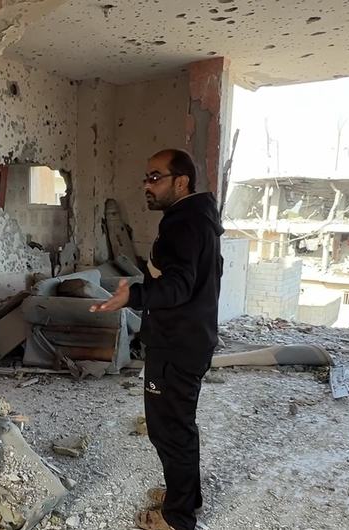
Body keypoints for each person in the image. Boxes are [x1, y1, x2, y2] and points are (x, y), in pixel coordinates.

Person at [92, 149, 223, 530]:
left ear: (181, 181)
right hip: (190, 339)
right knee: (179, 425)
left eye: (155, 177)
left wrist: (133, 296)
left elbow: (178, 285)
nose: (145, 186)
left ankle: (177, 518)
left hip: (177, 345)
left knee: (168, 430)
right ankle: (187, 495)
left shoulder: (182, 226)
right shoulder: (198, 219)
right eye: (146, 178)